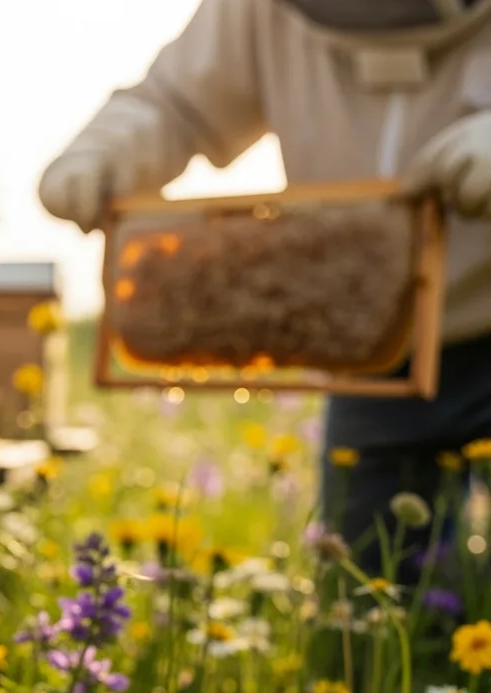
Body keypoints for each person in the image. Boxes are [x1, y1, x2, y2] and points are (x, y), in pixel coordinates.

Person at [37, 0, 491, 579]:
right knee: (363, 595)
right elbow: (178, 103)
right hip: (370, 352)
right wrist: (109, 147)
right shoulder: (258, 10)